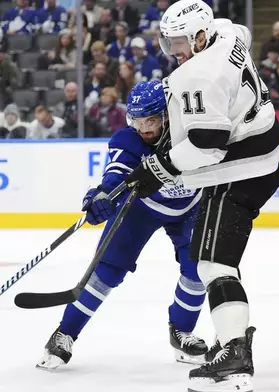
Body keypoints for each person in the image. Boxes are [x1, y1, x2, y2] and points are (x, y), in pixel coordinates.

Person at [122, 2, 279, 391]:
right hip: (266, 155)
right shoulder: (226, 33)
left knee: (212, 263)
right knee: (212, 258)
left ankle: (233, 355)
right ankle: (231, 340)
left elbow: (207, 146)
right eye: (168, 41)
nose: (172, 50)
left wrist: (156, 168)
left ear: (200, 35)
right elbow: (241, 34)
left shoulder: (198, 75)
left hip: (241, 169)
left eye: (179, 41)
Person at [37, 80, 209, 370]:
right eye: (138, 121)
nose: (144, 129)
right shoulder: (128, 140)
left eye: (151, 120)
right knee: (107, 270)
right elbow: (116, 173)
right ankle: (64, 333)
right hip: (142, 209)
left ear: (167, 115)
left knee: (199, 269)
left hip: (189, 209)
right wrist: (102, 196)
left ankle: (182, 331)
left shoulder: (192, 132)